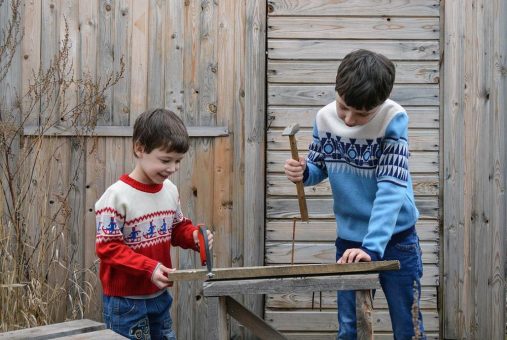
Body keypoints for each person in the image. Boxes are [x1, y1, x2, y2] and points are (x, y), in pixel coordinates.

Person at [284, 49, 425, 339]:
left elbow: (392, 187)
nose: (348, 120)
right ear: (337, 89)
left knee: (407, 326)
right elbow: (319, 164)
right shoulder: (324, 118)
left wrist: (372, 248)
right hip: (349, 241)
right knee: (350, 328)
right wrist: (305, 172)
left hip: (397, 239)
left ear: (381, 103)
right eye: (343, 106)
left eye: (362, 114)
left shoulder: (393, 120)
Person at [95, 108, 213, 339]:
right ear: (140, 148)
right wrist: (149, 268)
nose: (172, 168)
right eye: (165, 160)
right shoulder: (117, 197)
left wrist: (194, 237)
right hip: (125, 303)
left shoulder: (169, 190)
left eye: (178, 161)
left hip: (159, 297)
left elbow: (176, 227)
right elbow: (108, 248)